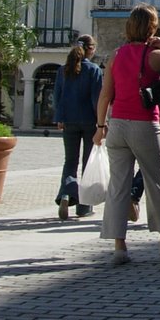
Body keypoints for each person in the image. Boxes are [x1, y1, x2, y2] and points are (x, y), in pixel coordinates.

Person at [93, 3, 160, 264]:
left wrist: (100, 127)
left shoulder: (116, 55)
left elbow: (105, 94)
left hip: (117, 125)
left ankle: (119, 247)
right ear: (152, 28)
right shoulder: (155, 55)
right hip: (143, 126)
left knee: (119, 186)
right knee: (155, 182)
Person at [53, 35, 104, 219]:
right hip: (90, 122)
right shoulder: (94, 70)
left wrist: (59, 118)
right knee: (88, 164)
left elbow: (57, 96)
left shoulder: (63, 70)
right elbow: (97, 99)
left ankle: (66, 194)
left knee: (70, 162)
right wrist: (101, 123)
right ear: (91, 49)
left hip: (69, 121)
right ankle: (84, 207)